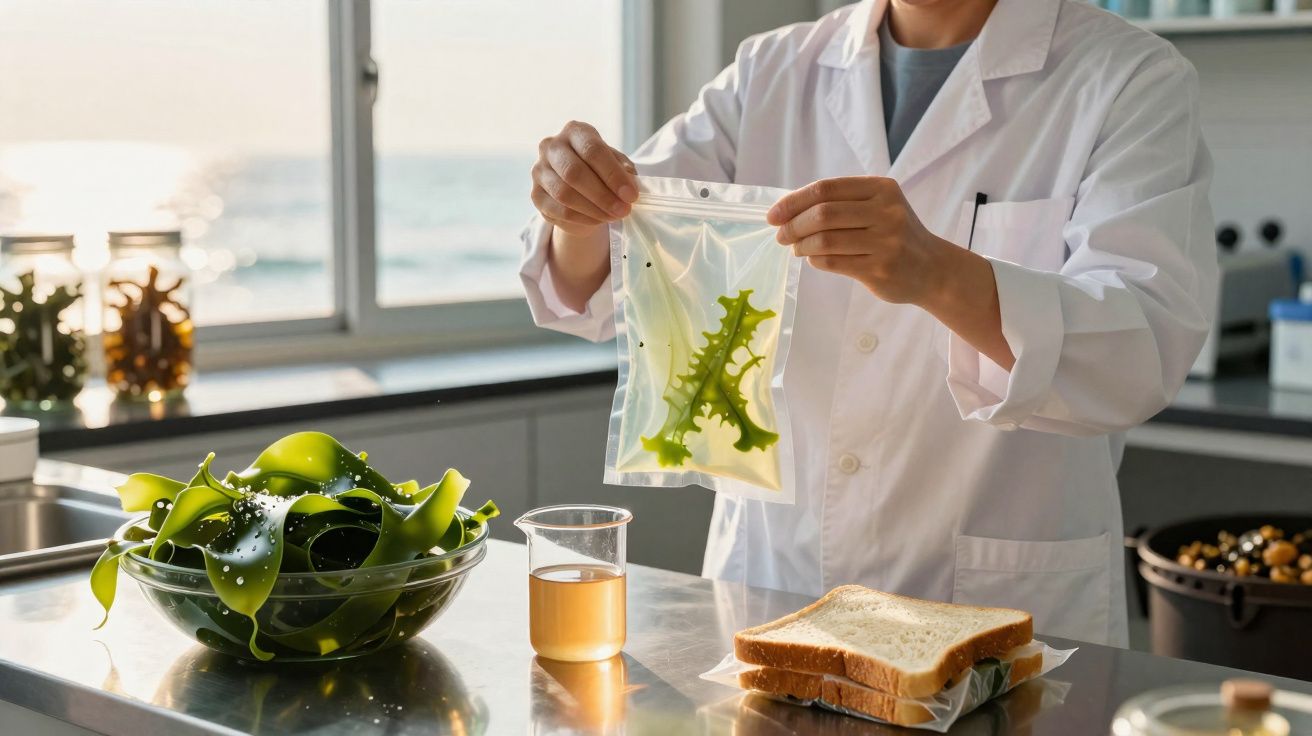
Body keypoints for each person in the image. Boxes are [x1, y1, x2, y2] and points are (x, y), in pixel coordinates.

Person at [518, 0, 1217, 646]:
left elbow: (1139, 351)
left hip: (995, 599)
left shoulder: (1129, 78)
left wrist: (937, 272)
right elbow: (610, 273)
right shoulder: (770, 71)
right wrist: (576, 211)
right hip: (776, 583)